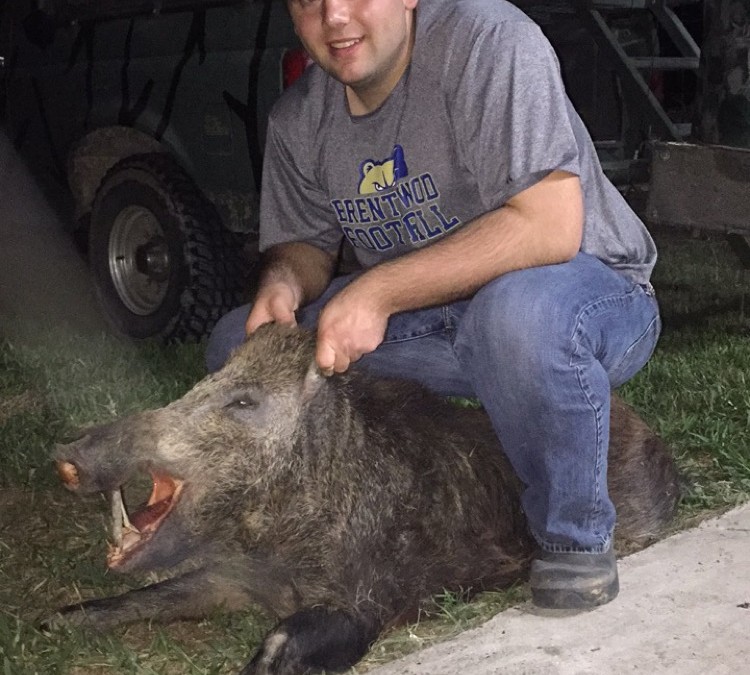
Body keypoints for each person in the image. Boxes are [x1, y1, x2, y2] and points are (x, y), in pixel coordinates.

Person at [206, 0, 661, 610]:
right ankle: (309, 532)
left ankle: (573, 537)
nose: (334, 17)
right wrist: (282, 285)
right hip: (431, 320)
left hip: (583, 294)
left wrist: (377, 292)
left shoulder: (491, 42)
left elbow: (549, 227)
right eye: (310, 1)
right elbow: (306, 245)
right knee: (235, 344)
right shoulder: (300, 117)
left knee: (513, 317)